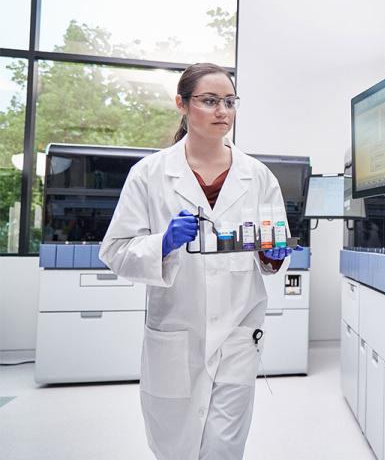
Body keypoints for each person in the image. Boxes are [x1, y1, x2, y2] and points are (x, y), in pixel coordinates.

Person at [100, 62, 299, 460]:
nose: (222, 111)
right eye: (209, 101)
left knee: (225, 446)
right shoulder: (149, 175)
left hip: (238, 333)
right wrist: (163, 244)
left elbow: (273, 249)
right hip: (176, 334)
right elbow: (116, 251)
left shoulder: (258, 177)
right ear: (182, 104)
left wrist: (273, 258)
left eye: (229, 101)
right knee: (175, 443)